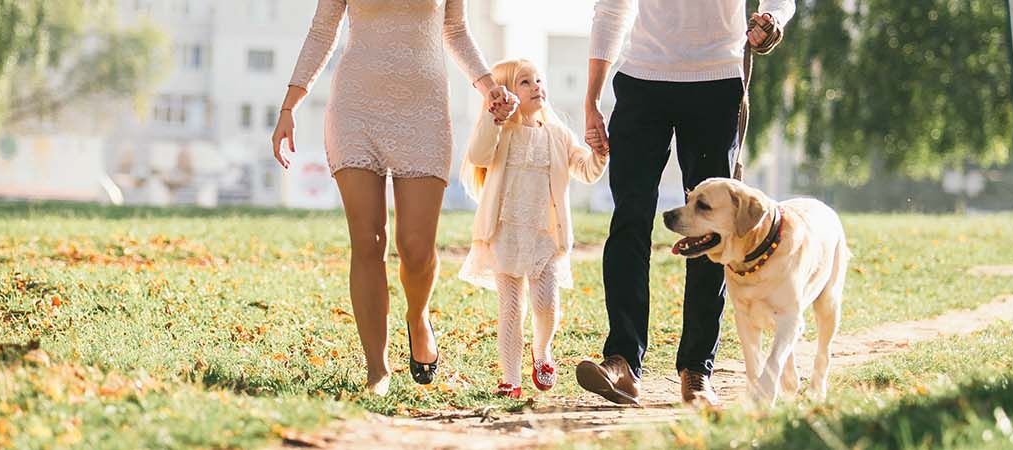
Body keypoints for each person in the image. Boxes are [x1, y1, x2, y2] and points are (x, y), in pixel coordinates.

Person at [273, 0, 517, 396]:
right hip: (355, 109)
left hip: (424, 110)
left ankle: (418, 317)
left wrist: (489, 87)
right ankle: (377, 370)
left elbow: (455, 31)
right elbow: (322, 30)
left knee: (416, 250)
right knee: (368, 241)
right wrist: (290, 105)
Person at [575, 0, 794, 407]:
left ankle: (696, 369)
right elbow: (610, 9)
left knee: (713, 230)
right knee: (629, 220)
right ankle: (621, 362)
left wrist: (773, 20)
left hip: (715, 80)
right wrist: (592, 98)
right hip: (641, 79)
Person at [457, 59, 609, 399]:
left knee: (546, 303)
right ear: (506, 92)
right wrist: (493, 118)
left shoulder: (557, 134)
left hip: (545, 235)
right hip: (505, 232)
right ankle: (511, 379)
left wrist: (599, 153)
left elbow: (585, 170)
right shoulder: (499, 131)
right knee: (510, 309)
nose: (537, 86)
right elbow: (479, 155)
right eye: (525, 82)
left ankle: (542, 352)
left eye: (539, 79)